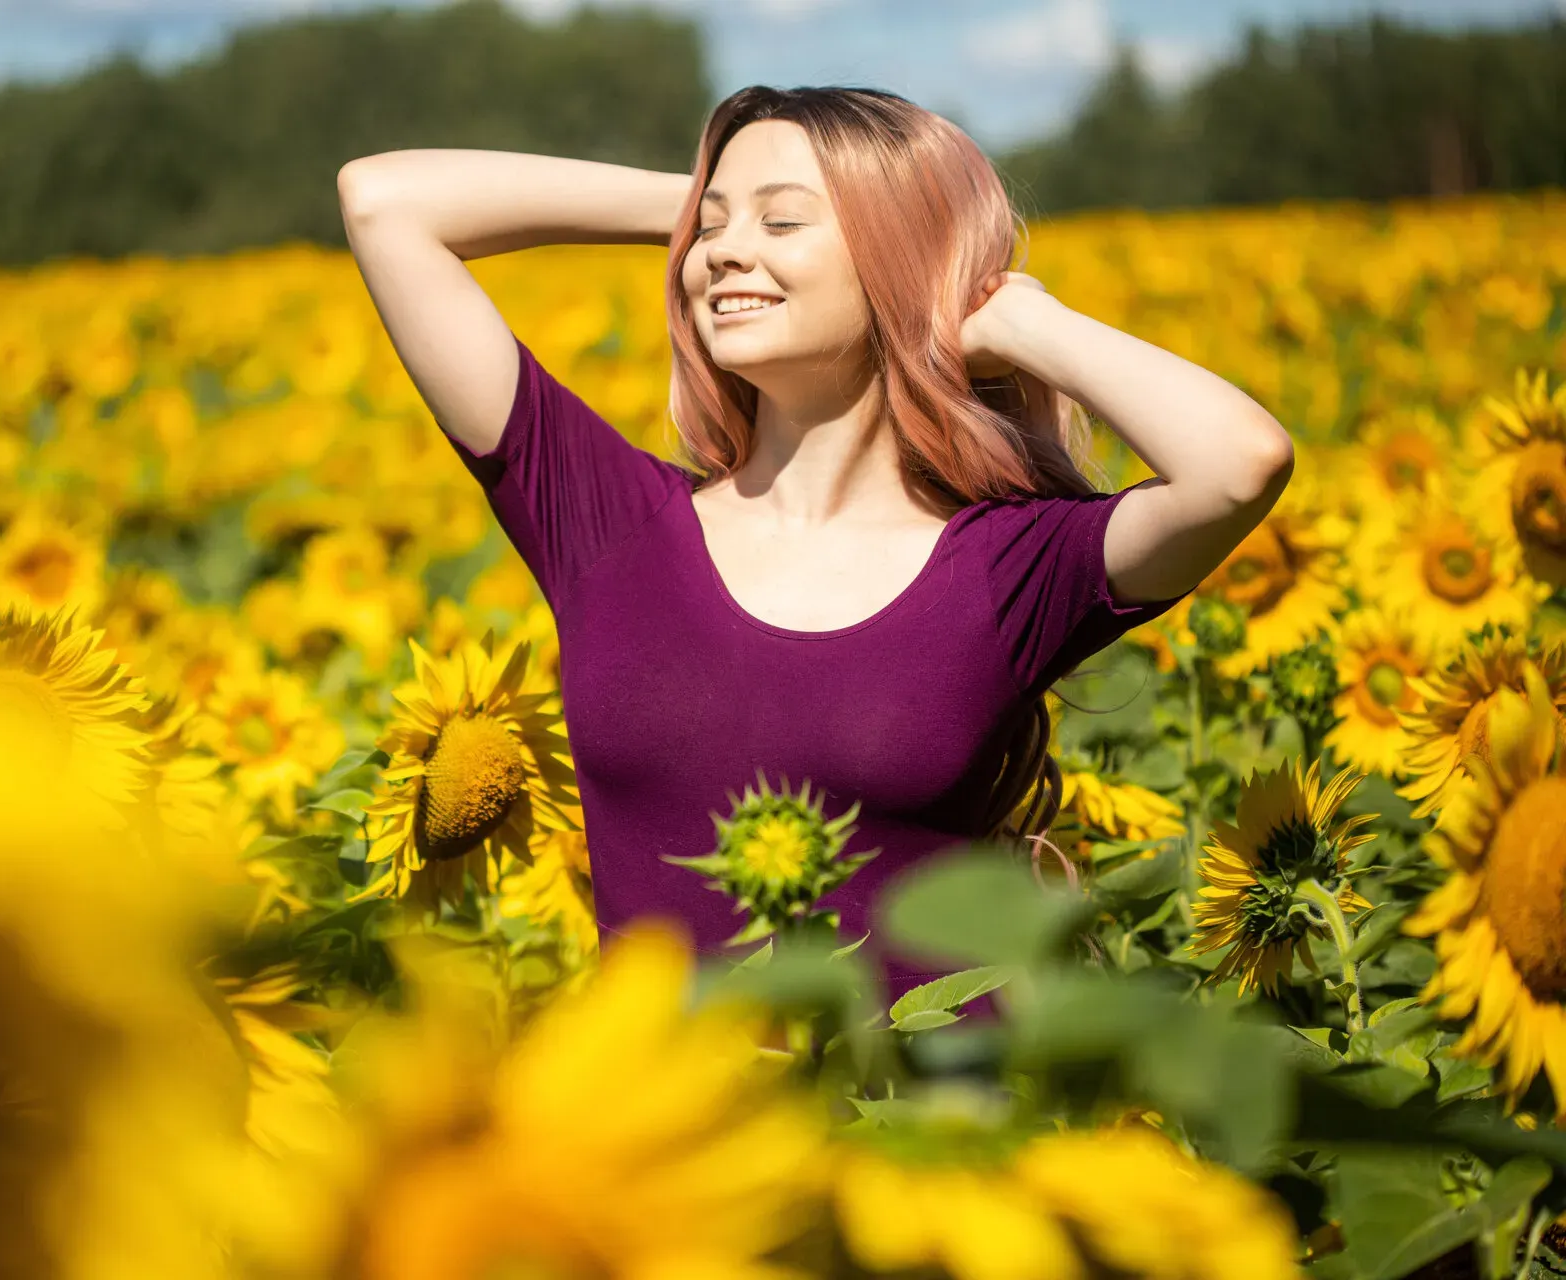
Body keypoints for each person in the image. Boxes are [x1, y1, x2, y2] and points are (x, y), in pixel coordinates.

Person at [336, 85, 1293, 1008]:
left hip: (934, 1138)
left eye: (783, 224)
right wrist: (710, 207)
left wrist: (1013, 316)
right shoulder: (607, 523)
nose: (722, 256)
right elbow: (385, 203)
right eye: (711, 232)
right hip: (674, 1146)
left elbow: (1240, 462)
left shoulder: (1013, 565)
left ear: (900, 258)